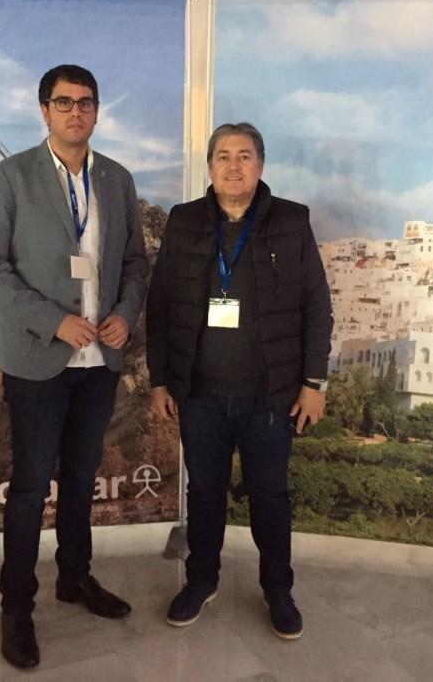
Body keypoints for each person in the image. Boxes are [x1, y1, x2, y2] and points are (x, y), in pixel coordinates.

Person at [0, 64, 148, 669]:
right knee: (28, 488)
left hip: (100, 361)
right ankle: (17, 607)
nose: (76, 112)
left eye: (86, 102)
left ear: (96, 110)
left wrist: (124, 313)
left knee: (81, 478)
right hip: (38, 359)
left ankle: (75, 577)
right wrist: (52, 321)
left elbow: (134, 263)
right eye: (64, 102)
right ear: (44, 110)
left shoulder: (117, 179)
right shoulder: (10, 177)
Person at [146, 121, 333, 640]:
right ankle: (200, 580)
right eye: (223, 156)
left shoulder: (291, 221)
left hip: (270, 398)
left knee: (270, 498)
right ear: (210, 166)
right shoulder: (184, 221)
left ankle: (278, 591)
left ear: (260, 165)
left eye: (244, 155)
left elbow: (317, 306)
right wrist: (159, 381)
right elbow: (159, 306)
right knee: (205, 494)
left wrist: (313, 384)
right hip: (200, 395)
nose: (233, 165)